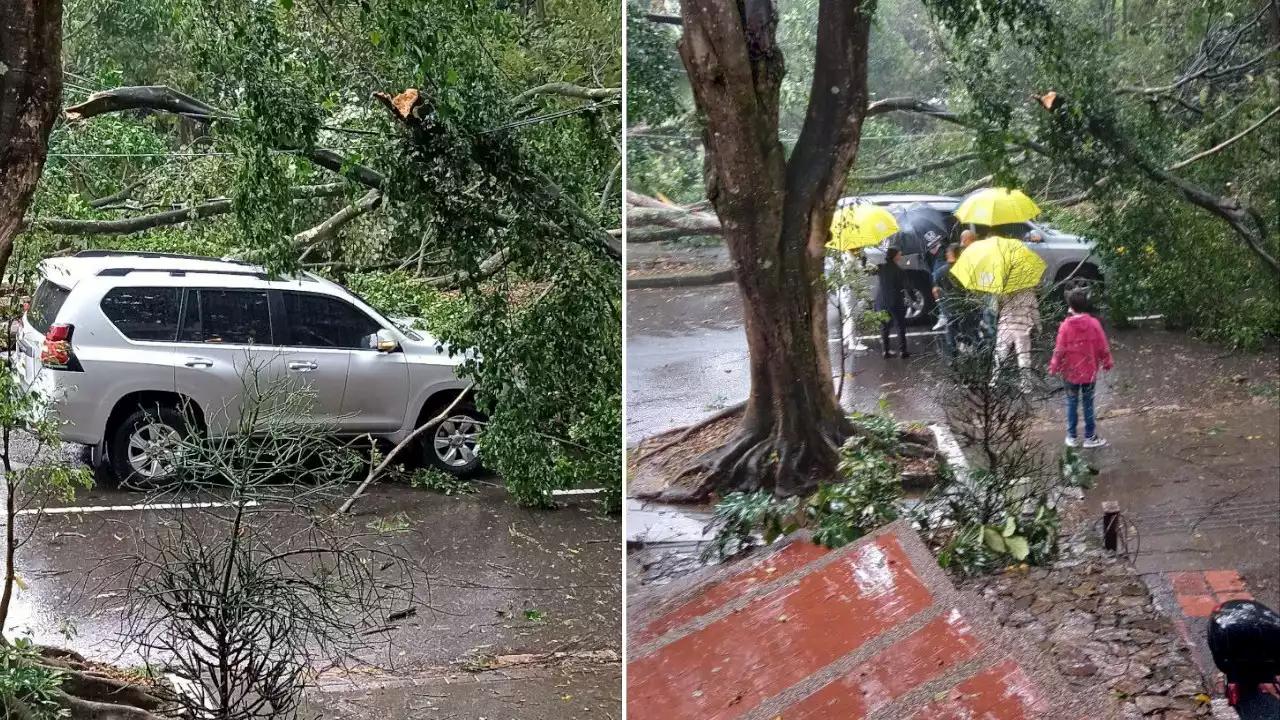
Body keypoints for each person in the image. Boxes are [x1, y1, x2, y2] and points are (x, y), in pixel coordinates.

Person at [1048, 289, 1113, 448]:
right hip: (1089, 372)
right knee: (1088, 403)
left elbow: (1059, 349)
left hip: (1070, 373)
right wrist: (1107, 362)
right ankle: (1090, 437)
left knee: (1071, 403)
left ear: (1070, 306)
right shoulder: (1094, 324)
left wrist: (1054, 367)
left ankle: (1071, 437)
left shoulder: (1065, 326)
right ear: (1085, 305)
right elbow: (1103, 346)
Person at [993, 287, 1040, 385]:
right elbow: (1035, 313)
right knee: (1024, 356)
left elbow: (994, 309)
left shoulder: (1003, 291)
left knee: (1000, 354)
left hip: (1004, 327)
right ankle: (1026, 383)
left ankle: (995, 380)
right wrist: (1039, 327)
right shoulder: (1029, 292)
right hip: (1022, 329)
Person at [876, 248, 910, 359]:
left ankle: (885, 351)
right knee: (900, 325)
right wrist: (911, 297)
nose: (901, 255)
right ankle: (902, 351)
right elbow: (907, 287)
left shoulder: (881, 268)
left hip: (882, 300)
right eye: (899, 254)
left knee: (884, 326)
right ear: (895, 256)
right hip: (895, 301)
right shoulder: (900, 271)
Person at [932, 243, 962, 359]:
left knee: (950, 331)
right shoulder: (964, 268)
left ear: (949, 254)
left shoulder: (940, 272)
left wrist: (940, 303)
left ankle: (953, 357)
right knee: (969, 328)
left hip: (949, 306)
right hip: (964, 305)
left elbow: (935, 290)